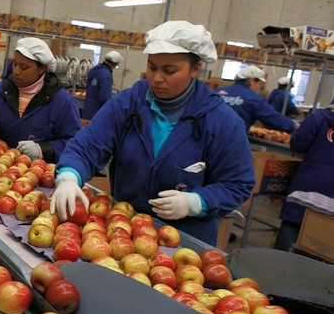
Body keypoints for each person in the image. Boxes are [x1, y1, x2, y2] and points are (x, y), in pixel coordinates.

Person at [50, 21, 255, 245]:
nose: (157, 78)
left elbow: (237, 183)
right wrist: (69, 177)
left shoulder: (220, 121)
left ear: (195, 69)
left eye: (169, 70)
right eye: (152, 67)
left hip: (185, 242)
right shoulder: (127, 105)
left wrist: (196, 202)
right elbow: (86, 147)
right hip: (122, 232)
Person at [274, 107, 334, 251]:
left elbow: (298, 144)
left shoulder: (319, 118)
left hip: (306, 190)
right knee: (322, 249)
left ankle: (276, 270)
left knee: (290, 234)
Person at [217, 65, 298, 133]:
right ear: (251, 80)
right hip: (230, 140)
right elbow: (272, 117)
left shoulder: (218, 92)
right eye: (259, 84)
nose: (259, 88)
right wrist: (293, 125)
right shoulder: (253, 99)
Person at [81, 50, 123, 120]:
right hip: (96, 114)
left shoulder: (93, 70)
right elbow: (104, 98)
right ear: (114, 64)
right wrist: (115, 97)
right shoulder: (106, 75)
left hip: (86, 111)